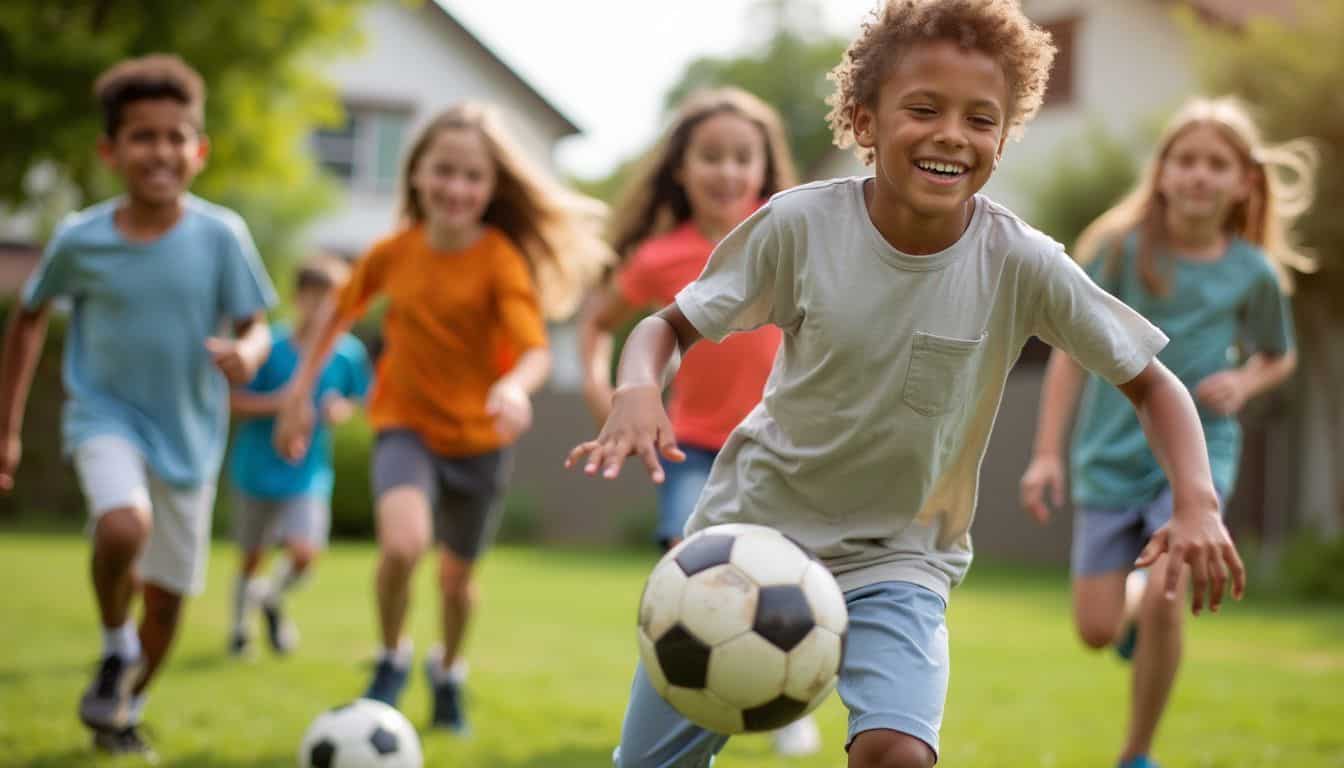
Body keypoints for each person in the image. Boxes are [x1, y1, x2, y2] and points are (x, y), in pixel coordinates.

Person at [565, 2, 1246, 766]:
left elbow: (1153, 384)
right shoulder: (800, 228)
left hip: (900, 558)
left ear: (1003, 134)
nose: (952, 133)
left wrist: (1197, 501)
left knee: (900, 753)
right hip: (748, 540)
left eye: (981, 118)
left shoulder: (1021, 262)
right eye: (923, 109)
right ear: (865, 121)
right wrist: (635, 389)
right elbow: (667, 325)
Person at [273, 102, 609, 732]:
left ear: (491, 187)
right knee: (401, 545)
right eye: (443, 171)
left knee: (456, 582)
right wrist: (298, 394)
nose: (457, 188)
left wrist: (512, 386)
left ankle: (448, 669)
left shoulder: (499, 260)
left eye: (472, 176)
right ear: (418, 175)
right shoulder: (392, 252)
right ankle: (391, 656)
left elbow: (535, 350)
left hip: (479, 440)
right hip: (405, 424)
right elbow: (335, 317)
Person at [1019, 96, 1315, 768]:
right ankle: (1134, 619)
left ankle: (1137, 753)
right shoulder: (1121, 250)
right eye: (1186, 160)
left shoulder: (1252, 272)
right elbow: (1067, 351)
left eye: (1217, 164)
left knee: (1166, 593)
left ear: (1244, 182)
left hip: (1201, 453)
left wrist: (1246, 383)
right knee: (1096, 630)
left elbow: (1280, 353)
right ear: (1162, 172)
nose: (1199, 175)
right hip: (1109, 452)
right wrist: (1045, 455)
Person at [0, 54, 275, 758]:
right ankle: (114, 644)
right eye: (142, 137)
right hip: (105, 415)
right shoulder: (80, 239)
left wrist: (248, 352)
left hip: (190, 437)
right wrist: (6, 430)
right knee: (123, 528)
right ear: (110, 150)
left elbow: (256, 322)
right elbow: (28, 317)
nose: (160, 151)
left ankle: (121, 707)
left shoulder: (221, 236)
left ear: (199, 150)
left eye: (175, 136)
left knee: (169, 603)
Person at [578, 86, 822, 757]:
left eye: (742, 157)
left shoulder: (789, 231)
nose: (726, 171)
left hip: (781, 445)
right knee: (684, 568)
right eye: (710, 156)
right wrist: (611, 399)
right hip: (691, 445)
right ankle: (689, 694)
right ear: (680, 170)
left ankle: (787, 682)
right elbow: (597, 324)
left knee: (786, 567)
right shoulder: (660, 257)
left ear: (763, 168)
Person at [227, 254, 371, 658]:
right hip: (257, 465)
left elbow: (353, 401)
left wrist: (335, 410)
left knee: (305, 554)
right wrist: (281, 404)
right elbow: (233, 401)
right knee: (252, 554)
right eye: (315, 297)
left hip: (308, 471)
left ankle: (270, 598)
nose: (323, 308)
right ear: (297, 298)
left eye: (333, 299)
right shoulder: (269, 347)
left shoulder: (347, 354)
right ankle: (240, 631)